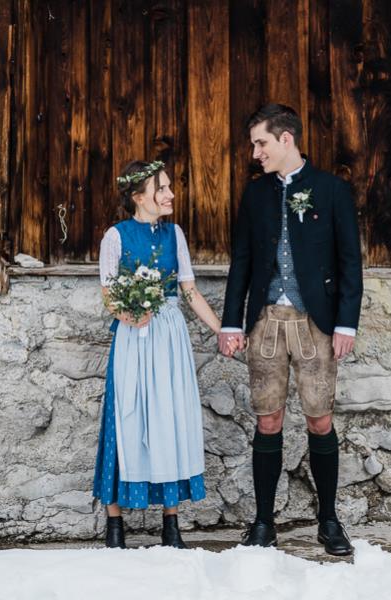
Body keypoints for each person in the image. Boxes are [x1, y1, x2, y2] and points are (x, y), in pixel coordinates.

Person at [218, 104, 363, 556]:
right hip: (264, 321)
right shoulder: (255, 194)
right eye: (253, 144)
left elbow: (349, 263)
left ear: (286, 140)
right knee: (268, 419)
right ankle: (263, 522)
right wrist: (230, 322)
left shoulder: (332, 190)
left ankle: (329, 520)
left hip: (316, 322)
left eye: (260, 142)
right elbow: (241, 260)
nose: (255, 152)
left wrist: (346, 323)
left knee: (320, 419)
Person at [92, 160, 223, 549]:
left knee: (169, 418)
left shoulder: (175, 234)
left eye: (168, 187)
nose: (170, 194)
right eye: (161, 189)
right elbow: (109, 295)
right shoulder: (115, 237)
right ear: (138, 197)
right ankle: (115, 524)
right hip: (134, 337)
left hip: (168, 336)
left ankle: (171, 523)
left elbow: (189, 291)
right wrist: (132, 313)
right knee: (126, 417)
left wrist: (222, 330)